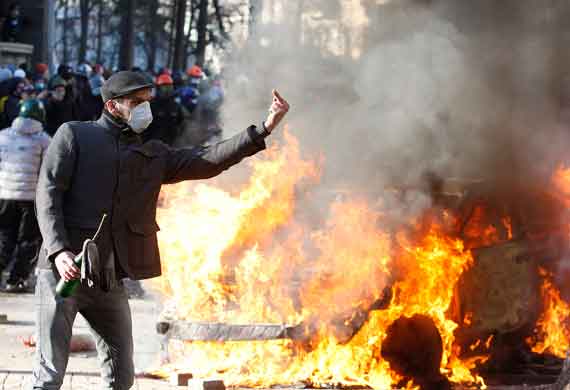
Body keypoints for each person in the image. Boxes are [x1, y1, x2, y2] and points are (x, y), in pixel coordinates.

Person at [32, 71, 289, 389]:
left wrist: (263, 129)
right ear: (113, 106)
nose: (145, 109)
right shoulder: (73, 135)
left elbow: (206, 161)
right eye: (136, 102)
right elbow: (47, 193)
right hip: (62, 276)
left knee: (121, 377)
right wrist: (59, 250)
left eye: (148, 102)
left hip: (108, 281)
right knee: (49, 376)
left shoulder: (150, 154)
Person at [0, 99, 51, 292]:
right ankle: (16, 280)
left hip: (4, 196)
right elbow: (48, 172)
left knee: (4, 237)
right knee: (28, 240)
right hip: (30, 199)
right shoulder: (44, 140)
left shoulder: (3, 136)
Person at [143, 73, 187, 145]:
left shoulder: (176, 106)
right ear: (158, 88)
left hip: (170, 146)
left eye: (169, 87)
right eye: (164, 87)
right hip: (153, 146)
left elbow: (182, 123)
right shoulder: (151, 105)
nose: (167, 90)